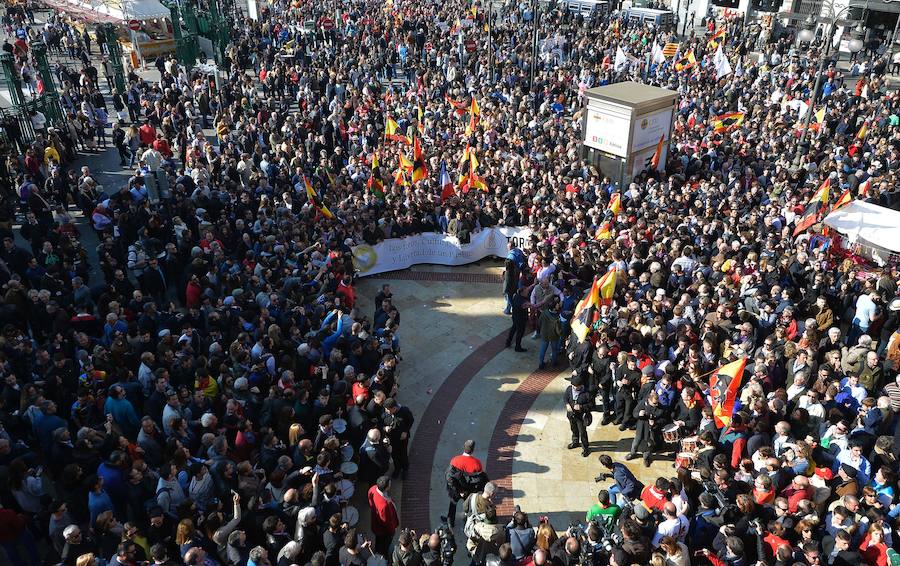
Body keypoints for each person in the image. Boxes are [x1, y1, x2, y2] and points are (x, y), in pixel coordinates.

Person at [445, 440, 487, 528]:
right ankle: (468, 522)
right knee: (469, 507)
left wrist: (459, 490)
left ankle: (450, 522)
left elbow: (450, 477)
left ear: (464, 447)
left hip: (456, 490)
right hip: (469, 491)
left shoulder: (454, 460)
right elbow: (479, 479)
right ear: (473, 450)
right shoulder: (477, 463)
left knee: (453, 504)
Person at [367, 476, 399, 558]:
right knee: (383, 542)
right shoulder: (384, 505)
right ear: (387, 488)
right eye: (389, 484)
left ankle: (378, 550)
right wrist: (392, 531)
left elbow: (371, 502)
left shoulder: (372, 489)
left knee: (378, 540)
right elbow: (387, 522)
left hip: (375, 523)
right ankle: (383, 553)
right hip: (382, 530)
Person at [564, 372, 592, 457]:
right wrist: (567, 405)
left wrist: (581, 407)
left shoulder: (587, 393)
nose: (575, 388)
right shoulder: (569, 389)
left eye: (576, 387)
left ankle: (585, 447)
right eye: (573, 386)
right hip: (571, 415)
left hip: (581, 417)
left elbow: (591, 405)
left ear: (581, 385)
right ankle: (575, 442)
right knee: (573, 429)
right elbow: (565, 398)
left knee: (582, 432)